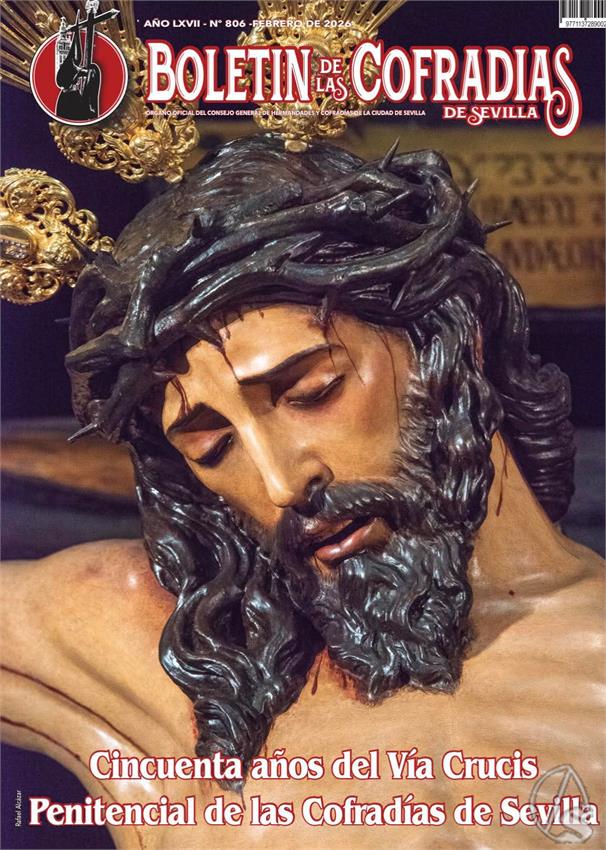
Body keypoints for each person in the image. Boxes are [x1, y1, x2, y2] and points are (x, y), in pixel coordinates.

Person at [2, 134, 603, 849]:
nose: (281, 483)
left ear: (452, 332)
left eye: (312, 392)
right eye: (212, 448)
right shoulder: (167, 661)